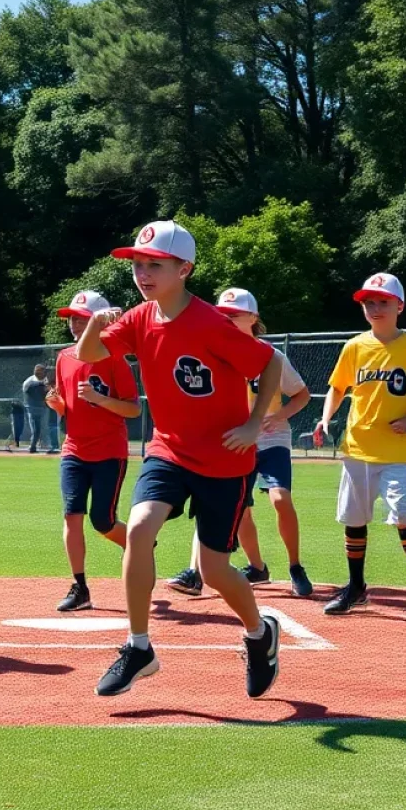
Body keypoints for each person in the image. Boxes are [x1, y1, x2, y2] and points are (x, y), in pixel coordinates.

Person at [77, 220, 283, 699]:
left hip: (224, 461)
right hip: (168, 450)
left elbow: (269, 362)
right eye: (137, 265)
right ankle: (139, 646)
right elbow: (88, 355)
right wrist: (94, 324)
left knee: (214, 572)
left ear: (184, 269)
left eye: (155, 265)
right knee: (140, 527)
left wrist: (255, 424)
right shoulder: (137, 317)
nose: (142, 274)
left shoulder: (212, 323)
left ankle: (259, 633)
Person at [315, 273, 406, 620]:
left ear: (399, 306)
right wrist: (325, 418)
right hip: (357, 446)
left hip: (397, 450)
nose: (375, 307)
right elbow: (337, 388)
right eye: (368, 302)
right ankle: (356, 587)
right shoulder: (355, 346)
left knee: (402, 514)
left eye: (383, 301)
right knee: (354, 520)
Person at [167, 288, 313, 597]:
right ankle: (246, 569)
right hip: (232, 441)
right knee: (235, 507)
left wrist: (280, 415)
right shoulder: (213, 352)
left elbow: (302, 394)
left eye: (234, 315)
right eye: (222, 315)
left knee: (280, 498)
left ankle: (296, 566)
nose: (226, 319)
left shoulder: (270, 355)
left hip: (271, 438)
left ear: (253, 318)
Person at [47, 290, 140, 612]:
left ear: (100, 322)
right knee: (72, 515)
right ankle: (80, 587)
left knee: (103, 521)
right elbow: (67, 405)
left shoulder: (114, 359)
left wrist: (101, 400)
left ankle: (139, 546)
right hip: (73, 450)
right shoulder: (64, 358)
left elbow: (133, 410)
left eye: (82, 318)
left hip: (108, 452)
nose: (74, 323)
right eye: (72, 318)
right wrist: (59, 406)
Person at [23, 364, 50, 452]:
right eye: (37, 372)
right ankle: (33, 446)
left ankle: (44, 444)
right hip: (33, 408)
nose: (39, 373)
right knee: (35, 428)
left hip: (44, 407)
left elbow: (50, 390)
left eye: (41, 371)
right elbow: (26, 390)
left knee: (44, 427)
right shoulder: (30, 381)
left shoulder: (47, 380)